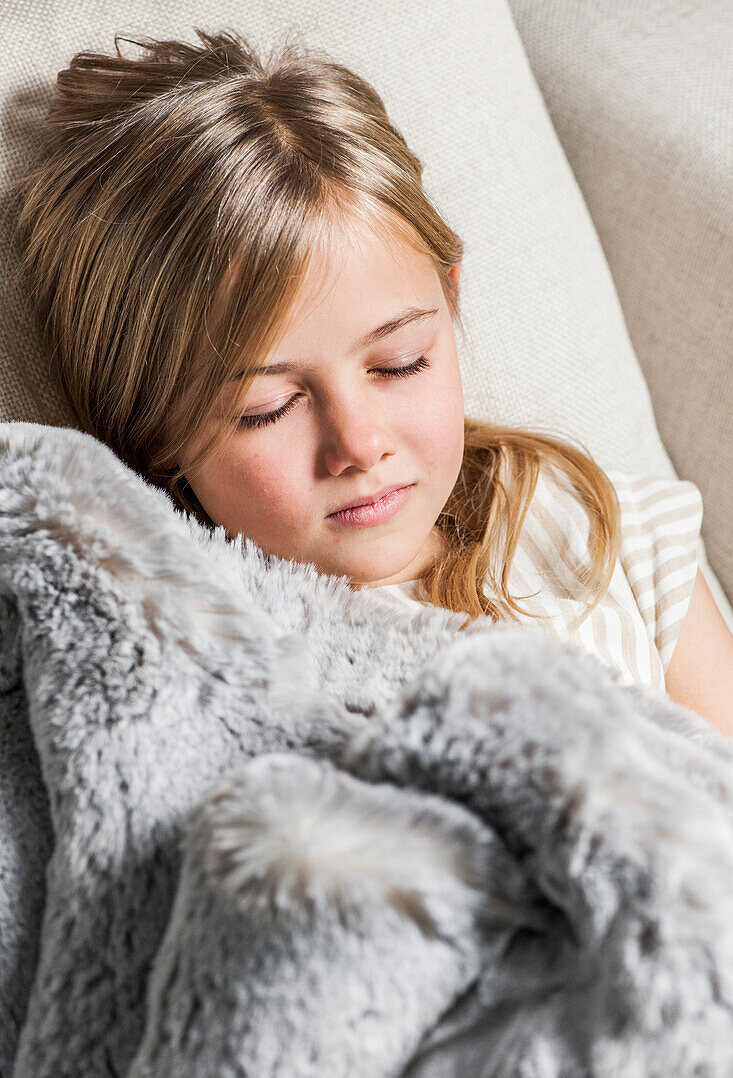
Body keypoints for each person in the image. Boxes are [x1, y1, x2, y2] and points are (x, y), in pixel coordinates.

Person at [12, 27, 733, 733]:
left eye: (398, 364)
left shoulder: (595, 527)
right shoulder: (201, 652)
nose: (357, 444)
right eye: (266, 408)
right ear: (150, 429)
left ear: (448, 301)